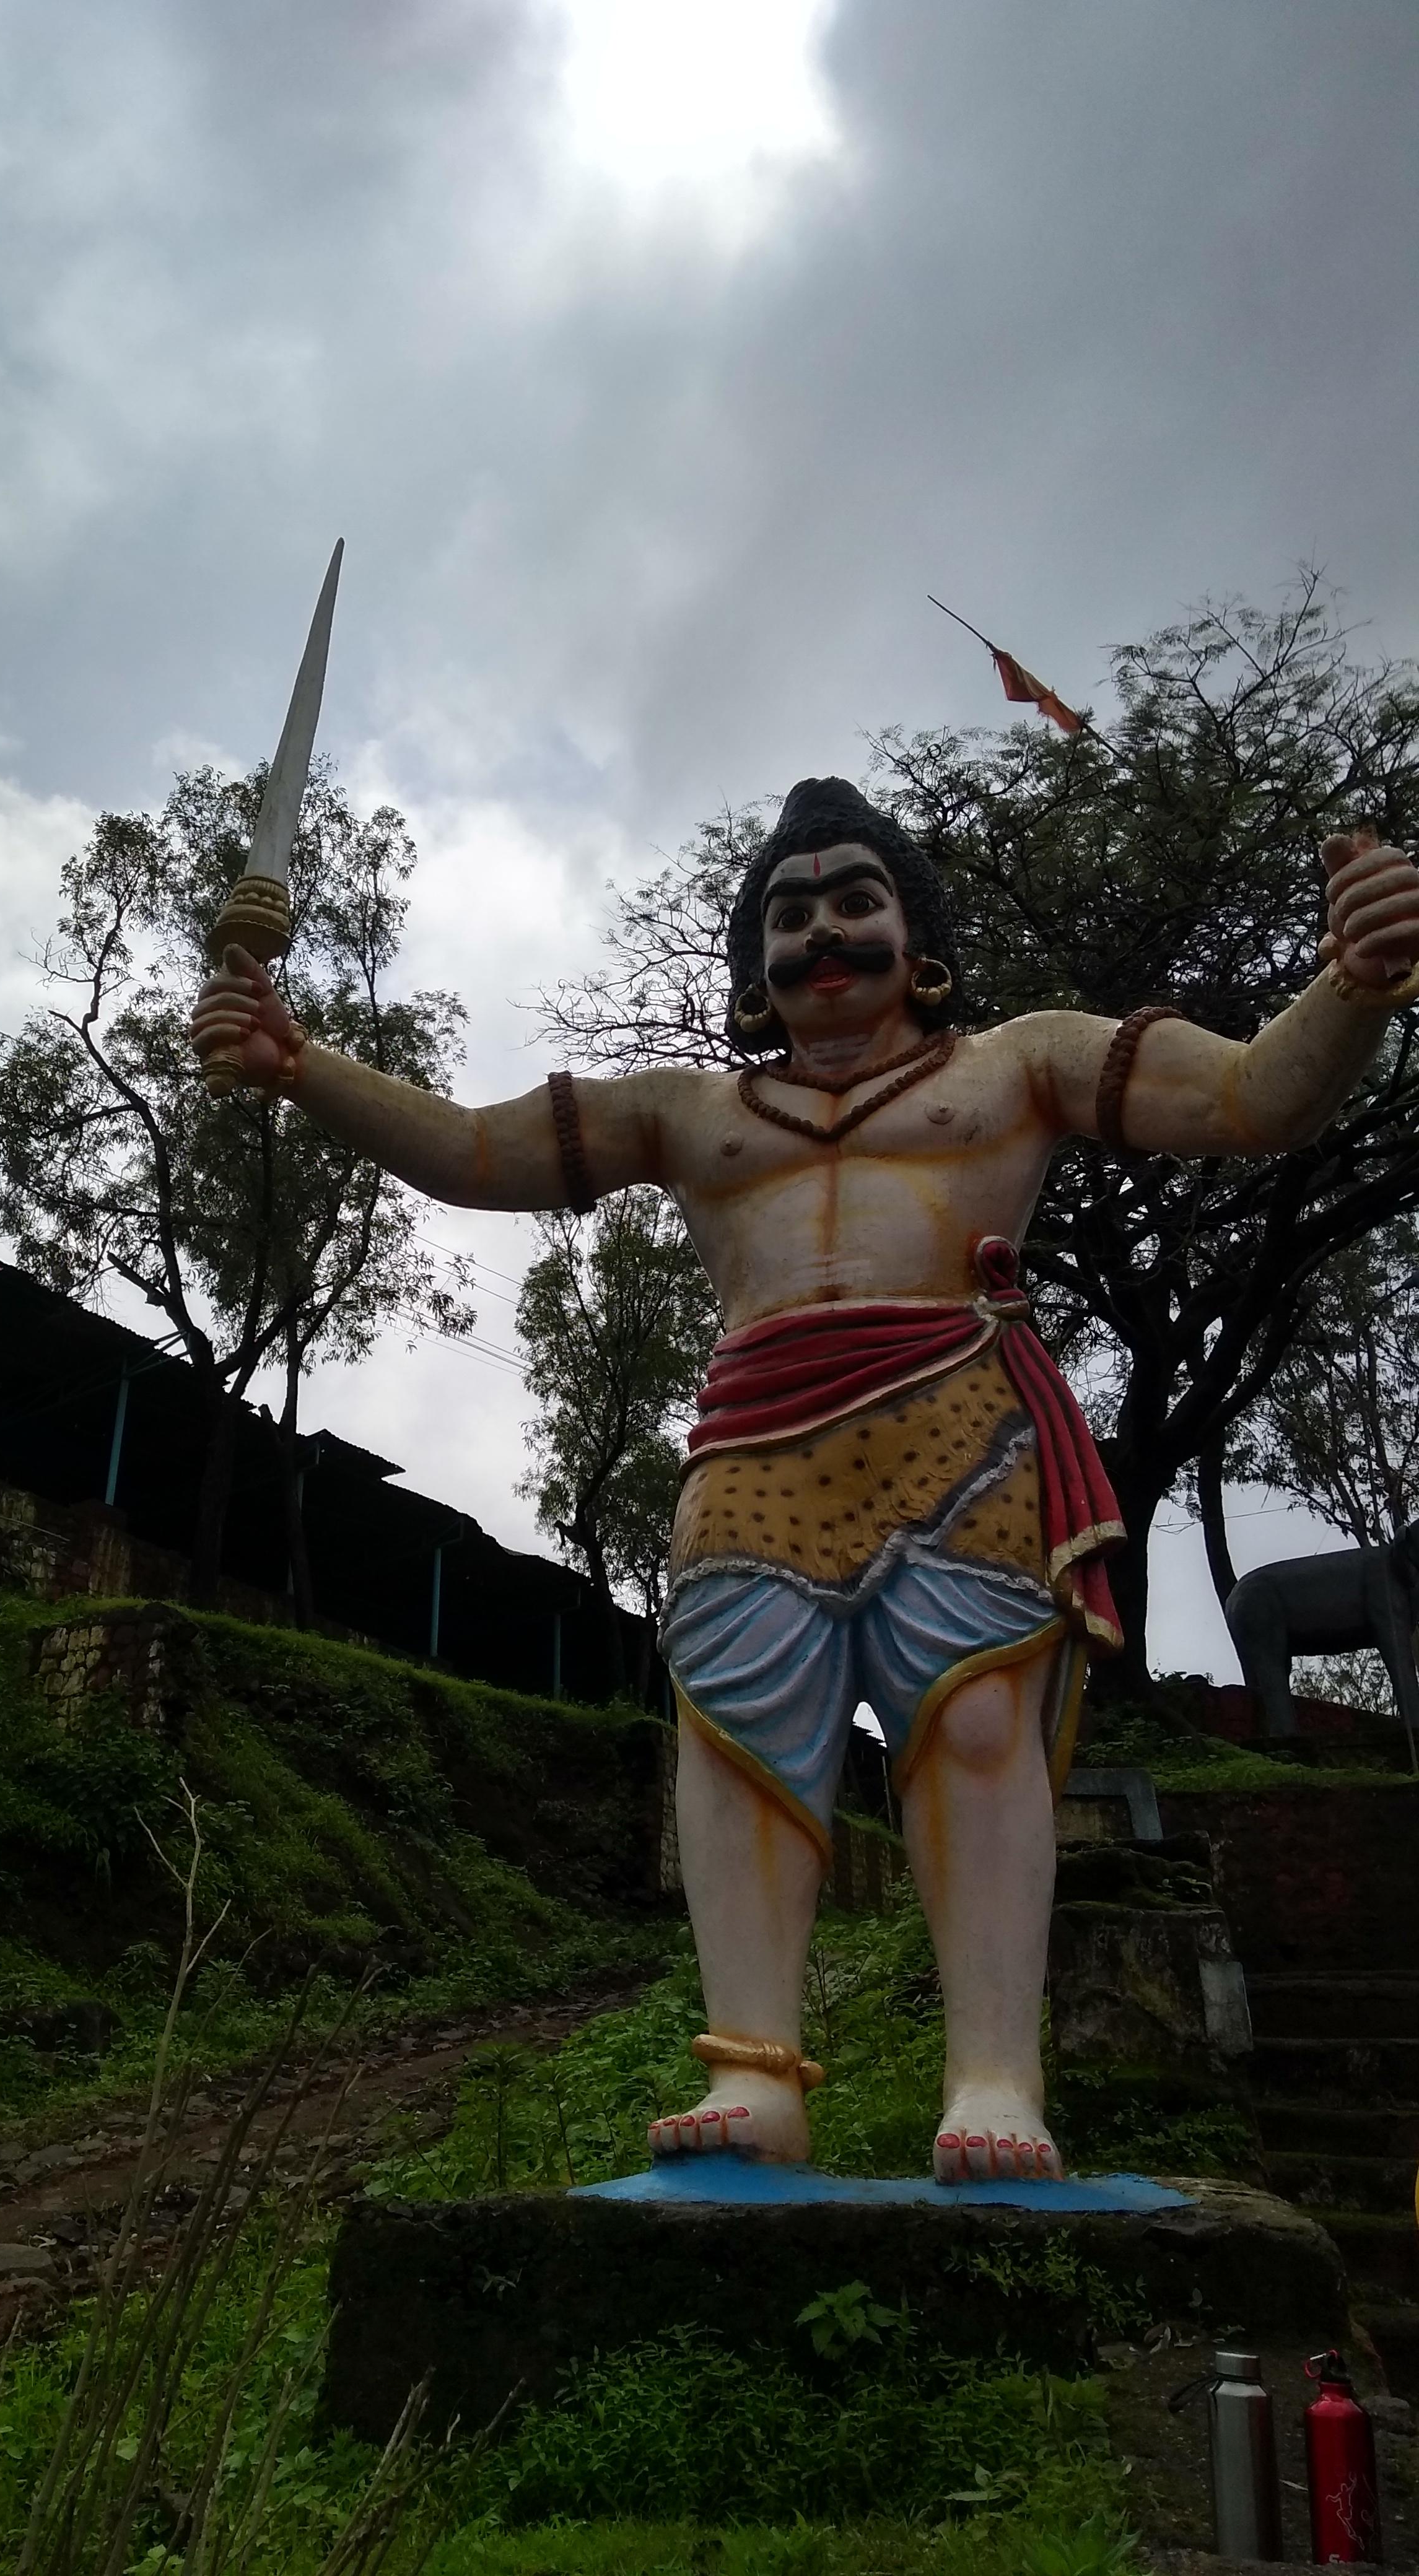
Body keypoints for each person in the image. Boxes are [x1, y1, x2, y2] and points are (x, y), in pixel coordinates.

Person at [190, 777, 1419, 2181]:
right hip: (751, 1460)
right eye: (790, 911)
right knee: (737, 1740)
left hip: (960, 1447)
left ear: (921, 935)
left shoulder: (1022, 1064)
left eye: (855, 901)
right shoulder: (687, 1114)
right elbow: (476, 1152)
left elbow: (1259, 1096)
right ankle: (753, 2072)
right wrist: (301, 1061)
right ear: (754, 965)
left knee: (969, 1736)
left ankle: (996, 2079)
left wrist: (1356, 981)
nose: (822, 932)